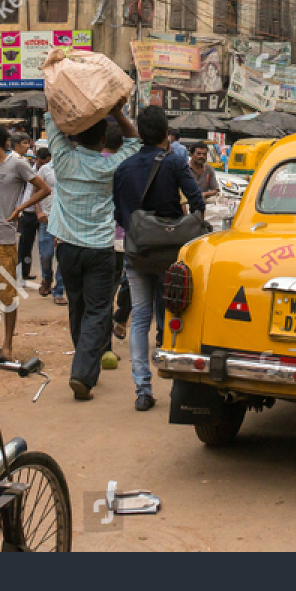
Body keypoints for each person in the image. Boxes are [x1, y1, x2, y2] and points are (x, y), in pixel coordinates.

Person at [113, 106, 205, 412]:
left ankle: (143, 389)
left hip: (137, 252)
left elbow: (118, 214)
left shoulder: (123, 168)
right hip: (171, 255)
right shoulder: (176, 162)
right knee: (174, 316)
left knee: (139, 318)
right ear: (167, 134)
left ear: (140, 134)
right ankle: (179, 383)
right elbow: (197, 201)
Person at [46, 103, 140, 401]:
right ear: (102, 141)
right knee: (98, 311)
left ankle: (82, 363)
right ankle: (83, 372)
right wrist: (116, 112)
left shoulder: (62, 159)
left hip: (67, 249)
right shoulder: (110, 165)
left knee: (77, 306)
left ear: (76, 136)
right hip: (99, 248)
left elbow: (51, 117)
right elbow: (135, 140)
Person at [0, 124, 47, 356]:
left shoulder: (18, 164)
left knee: (6, 295)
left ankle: (7, 345)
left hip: (4, 240)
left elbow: (43, 189)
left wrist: (20, 209)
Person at [32, 146, 61, 301]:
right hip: (47, 218)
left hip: (65, 220)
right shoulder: (44, 170)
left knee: (62, 256)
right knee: (46, 254)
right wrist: (38, 211)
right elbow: (35, 193)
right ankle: (46, 278)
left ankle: (59, 291)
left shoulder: (70, 167)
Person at [12, 132, 40, 280]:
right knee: (23, 246)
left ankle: (26, 272)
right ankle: (20, 274)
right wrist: (18, 210)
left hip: (38, 213)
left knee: (33, 247)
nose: (27, 147)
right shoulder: (16, 163)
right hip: (25, 212)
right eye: (24, 143)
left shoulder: (27, 163)